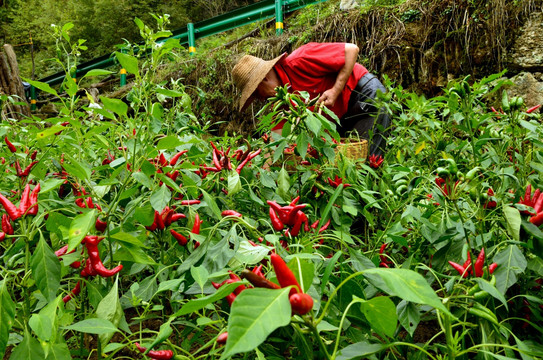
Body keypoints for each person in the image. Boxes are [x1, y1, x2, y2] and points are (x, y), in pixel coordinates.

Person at [231, 42, 390, 156]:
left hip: (363, 95)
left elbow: (351, 50)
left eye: (256, 93)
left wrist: (335, 90)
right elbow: (277, 141)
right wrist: (262, 170)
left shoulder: (300, 59)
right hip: (344, 114)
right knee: (341, 160)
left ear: (263, 79)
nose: (260, 99)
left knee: (368, 160)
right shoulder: (282, 104)